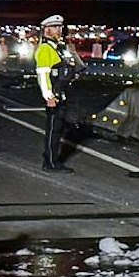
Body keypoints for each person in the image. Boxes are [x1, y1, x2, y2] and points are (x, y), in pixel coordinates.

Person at [33, 13, 81, 170]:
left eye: (60, 27)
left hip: (62, 93)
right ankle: (51, 163)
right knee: (53, 130)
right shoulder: (45, 49)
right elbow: (43, 74)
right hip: (54, 94)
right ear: (46, 30)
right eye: (55, 27)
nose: (59, 30)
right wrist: (49, 96)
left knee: (58, 129)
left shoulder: (58, 48)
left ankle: (52, 160)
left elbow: (70, 66)